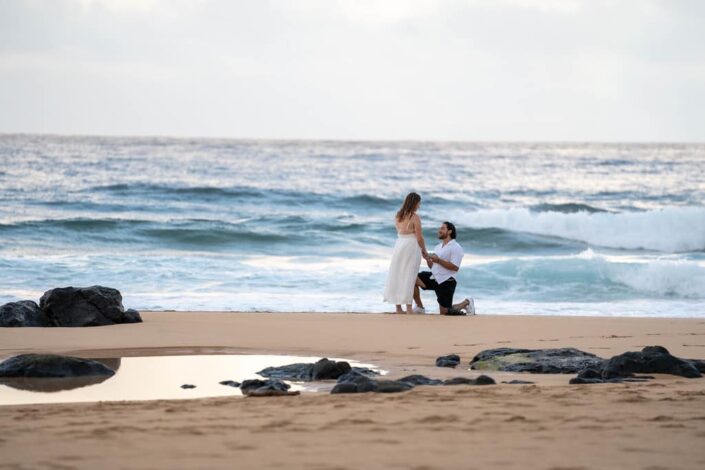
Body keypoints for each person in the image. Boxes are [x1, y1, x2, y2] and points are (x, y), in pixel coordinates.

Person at [413, 221, 473, 315]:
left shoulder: (456, 247)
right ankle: (420, 307)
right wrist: (428, 259)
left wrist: (438, 260)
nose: (439, 230)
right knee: (412, 278)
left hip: (446, 281)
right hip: (434, 277)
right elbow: (433, 267)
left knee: (445, 312)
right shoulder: (438, 247)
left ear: (449, 231)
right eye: (440, 228)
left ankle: (467, 302)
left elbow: (455, 267)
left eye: (442, 228)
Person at [383, 192, 429, 314]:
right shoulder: (415, 218)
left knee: (397, 274)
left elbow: (400, 232)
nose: (419, 206)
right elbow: (419, 238)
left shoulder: (398, 216)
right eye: (419, 203)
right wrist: (424, 251)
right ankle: (409, 308)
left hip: (399, 245)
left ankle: (398, 308)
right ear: (415, 203)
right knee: (410, 275)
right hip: (411, 247)